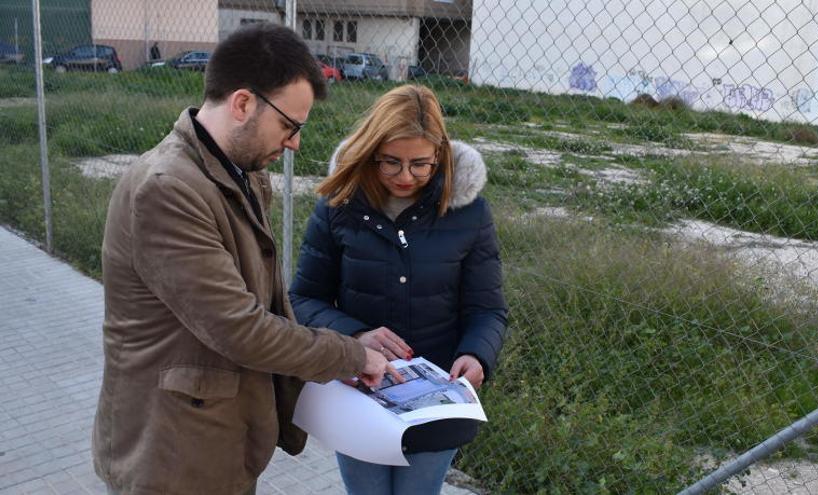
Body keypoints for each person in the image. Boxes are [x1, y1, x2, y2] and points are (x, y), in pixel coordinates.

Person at [93, 24, 399, 495]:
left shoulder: (240, 173)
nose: (295, 142)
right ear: (242, 103)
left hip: (218, 436)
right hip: (173, 453)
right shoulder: (167, 189)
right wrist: (348, 355)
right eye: (289, 126)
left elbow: (269, 300)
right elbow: (239, 328)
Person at [288, 85, 508, 495]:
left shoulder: (470, 213)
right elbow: (302, 299)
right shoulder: (339, 205)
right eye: (391, 162)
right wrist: (355, 335)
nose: (406, 177)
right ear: (371, 152)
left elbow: (488, 310)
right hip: (360, 392)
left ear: (439, 156)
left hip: (437, 403)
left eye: (420, 164)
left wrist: (477, 355)